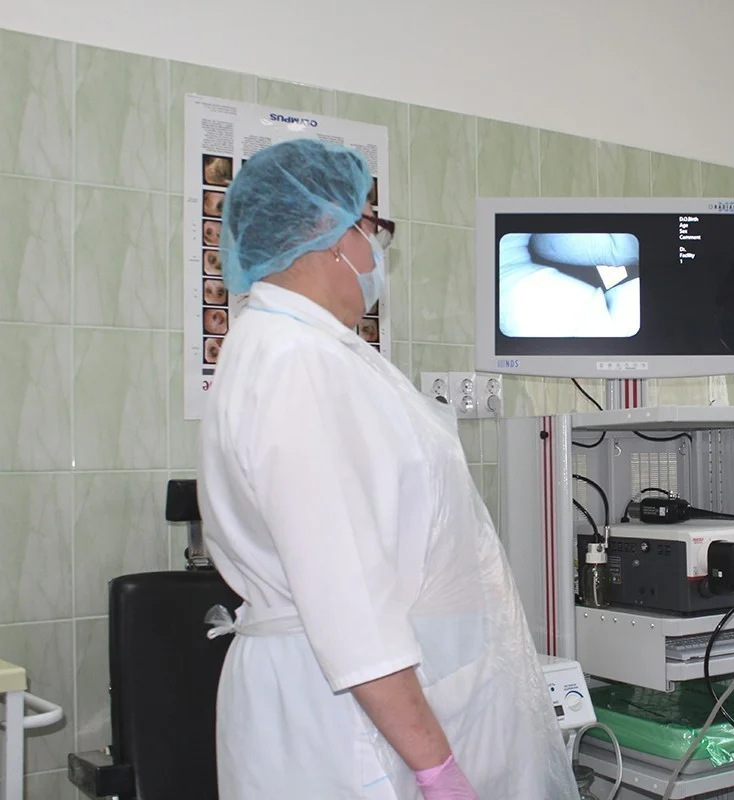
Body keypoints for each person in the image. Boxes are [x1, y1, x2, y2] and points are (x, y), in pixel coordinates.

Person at [197, 138, 576, 800]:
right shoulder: (297, 363)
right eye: (371, 229)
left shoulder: (312, 350)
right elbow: (346, 598)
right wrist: (437, 769)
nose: (376, 254)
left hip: (370, 706)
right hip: (346, 725)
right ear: (329, 231)